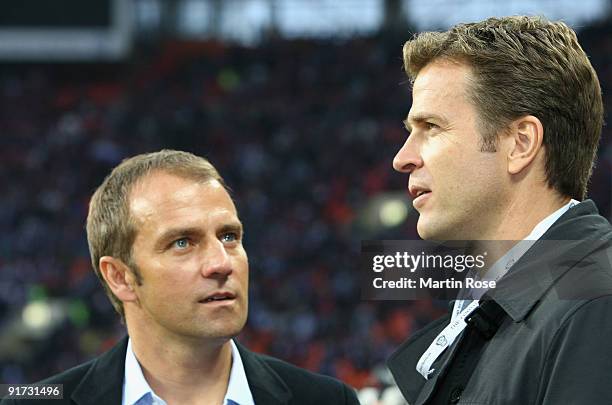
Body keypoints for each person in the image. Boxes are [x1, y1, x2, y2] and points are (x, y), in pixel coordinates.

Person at [1, 150, 359, 405]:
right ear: (120, 277)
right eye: (183, 242)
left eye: (229, 236)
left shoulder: (326, 399)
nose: (221, 263)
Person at [388, 16, 612, 404]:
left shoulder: (595, 308)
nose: (402, 158)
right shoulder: (505, 309)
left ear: (520, 144)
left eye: (432, 127)